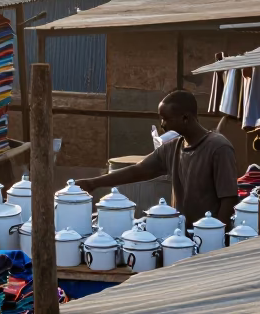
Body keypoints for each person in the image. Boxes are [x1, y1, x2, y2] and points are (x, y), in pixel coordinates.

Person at [78, 89, 238, 226]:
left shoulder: (218, 148)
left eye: (166, 118)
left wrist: (216, 236)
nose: (162, 124)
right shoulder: (172, 148)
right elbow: (137, 171)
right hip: (181, 234)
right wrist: (92, 183)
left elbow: (229, 199)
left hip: (209, 237)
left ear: (185, 118)